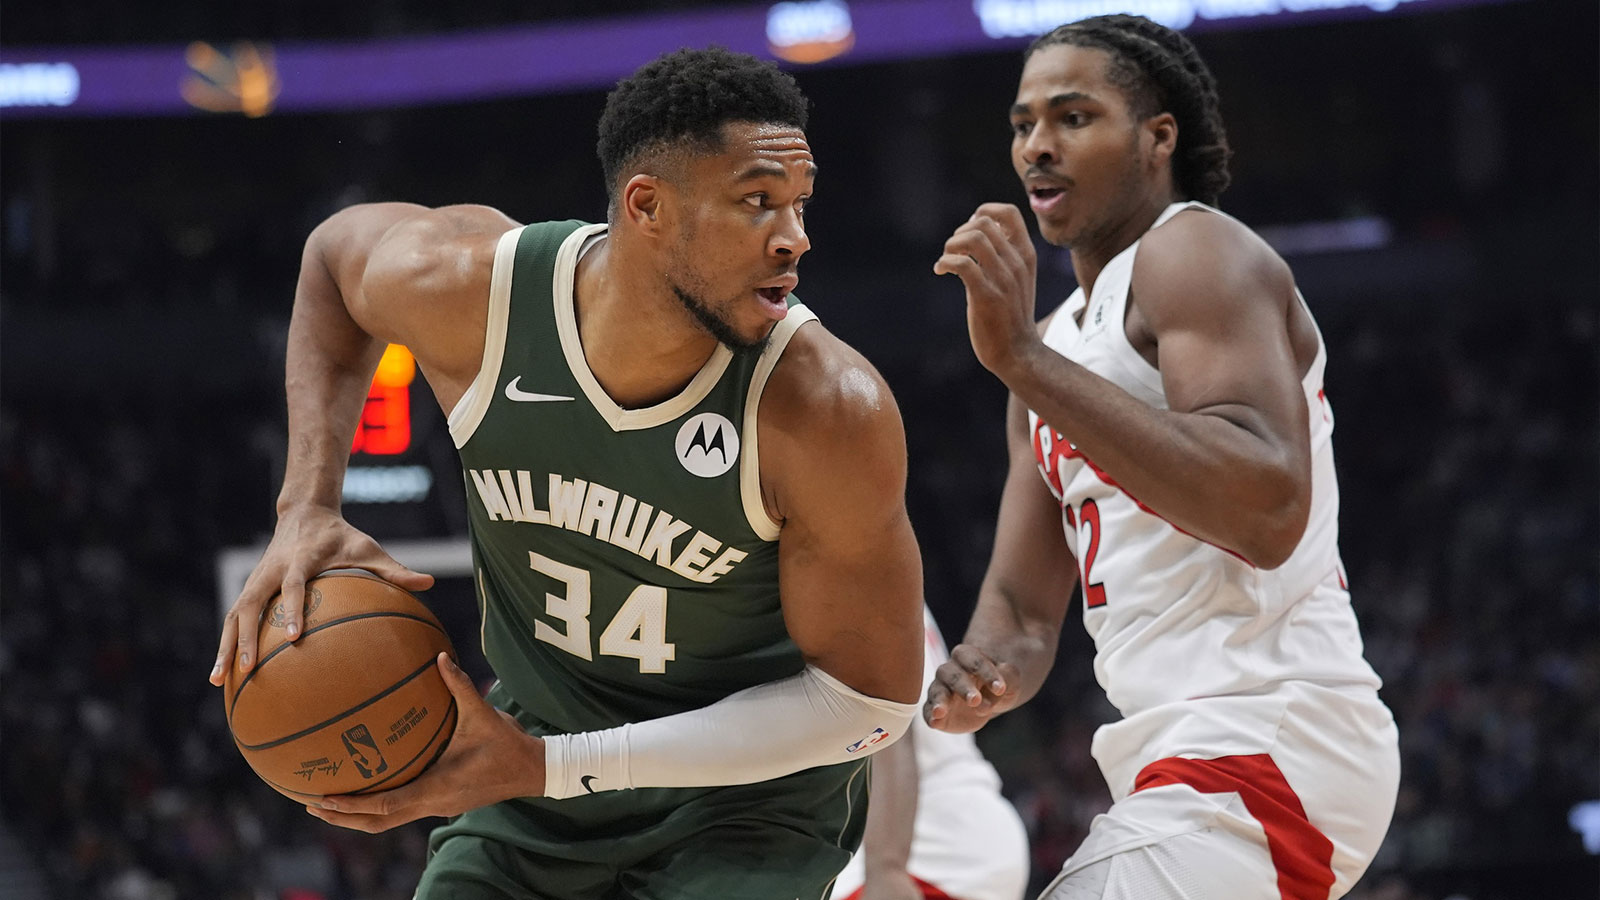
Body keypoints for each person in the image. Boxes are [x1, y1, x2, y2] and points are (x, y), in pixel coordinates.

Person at [211, 47, 927, 899]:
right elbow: (333, 259)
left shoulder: (828, 410)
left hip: (745, 807)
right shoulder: (474, 298)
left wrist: (556, 766)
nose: (795, 237)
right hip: (535, 778)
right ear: (648, 206)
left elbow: (868, 709)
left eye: (801, 205)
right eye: (757, 203)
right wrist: (304, 507)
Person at [924, 15, 1400, 900]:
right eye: (1023, 124)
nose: (1037, 147)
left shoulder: (1194, 249)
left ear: (1157, 138)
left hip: (1275, 732)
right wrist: (981, 668)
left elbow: (1264, 509)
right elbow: (1025, 608)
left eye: (1072, 117)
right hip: (1174, 756)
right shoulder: (1056, 348)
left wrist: (1022, 362)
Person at [828, 606, 1029, 900]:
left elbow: (884, 716)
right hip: (949, 830)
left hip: (924, 840)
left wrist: (887, 867)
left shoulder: (834, 571)